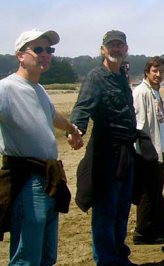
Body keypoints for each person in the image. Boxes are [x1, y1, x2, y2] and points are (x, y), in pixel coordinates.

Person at [0, 29, 83, 265]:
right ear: (20, 55)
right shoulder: (6, 88)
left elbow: (52, 114)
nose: (45, 54)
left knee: (47, 255)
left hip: (49, 177)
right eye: (38, 49)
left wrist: (71, 129)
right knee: (27, 256)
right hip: (26, 179)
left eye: (49, 50)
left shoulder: (39, 89)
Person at [70, 30, 137, 265]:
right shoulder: (95, 77)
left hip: (126, 153)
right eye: (111, 46)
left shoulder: (121, 77)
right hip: (106, 155)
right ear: (103, 50)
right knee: (105, 212)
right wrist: (76, 129)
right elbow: (82, 108)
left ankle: (119, 256)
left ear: (126, 49)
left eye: (120, 45)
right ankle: (107, 261)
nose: (116, 49)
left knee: (121, 210)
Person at [131, 56, 164, 244]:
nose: (158, 74)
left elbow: (159, 118)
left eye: (161, 71)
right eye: (154, 71)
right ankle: (143, 231)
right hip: (147, 151)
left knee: (156, 189)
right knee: (147, 192)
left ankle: (159, 225)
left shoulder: (155, 92)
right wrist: (146, 152)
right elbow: (139, 125)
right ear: (147, 72)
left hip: (158, 149)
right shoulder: (141, 92)